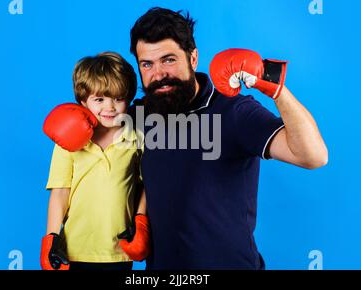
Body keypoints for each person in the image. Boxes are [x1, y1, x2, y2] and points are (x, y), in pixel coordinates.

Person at [128, 7, 328, 269]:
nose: (159, 74)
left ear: (193, 57)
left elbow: (313, 156)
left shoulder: (233, 111)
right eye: (147, 64)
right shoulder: (142, 114)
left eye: (168, 60)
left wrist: (274, 87)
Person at [40, 52, 150, 270]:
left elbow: (146, 185)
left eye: (118, 99)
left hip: (120, 250)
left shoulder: (136, 137)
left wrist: (141, 221)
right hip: (75, 249)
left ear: (128, 99)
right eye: (99, 99)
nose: (109, 107)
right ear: (83, 100)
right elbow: (60, 191)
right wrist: (51, 238)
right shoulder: (68, 138)